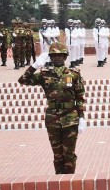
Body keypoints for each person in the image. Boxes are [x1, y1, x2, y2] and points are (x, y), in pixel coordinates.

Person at [18, 42, 86, 174]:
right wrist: (34, 66)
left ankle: (69, 181)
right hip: (52, 119)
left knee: (69, 154)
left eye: (60, 55)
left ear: (65, 57)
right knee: (57, 155)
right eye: (54, 56)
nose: (57, 58)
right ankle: (59, 181)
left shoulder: (73, 74)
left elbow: (79, 97)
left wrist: (82, 118)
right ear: (50, 57)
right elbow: (23, 80)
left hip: (70, 118)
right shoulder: (44, 75)